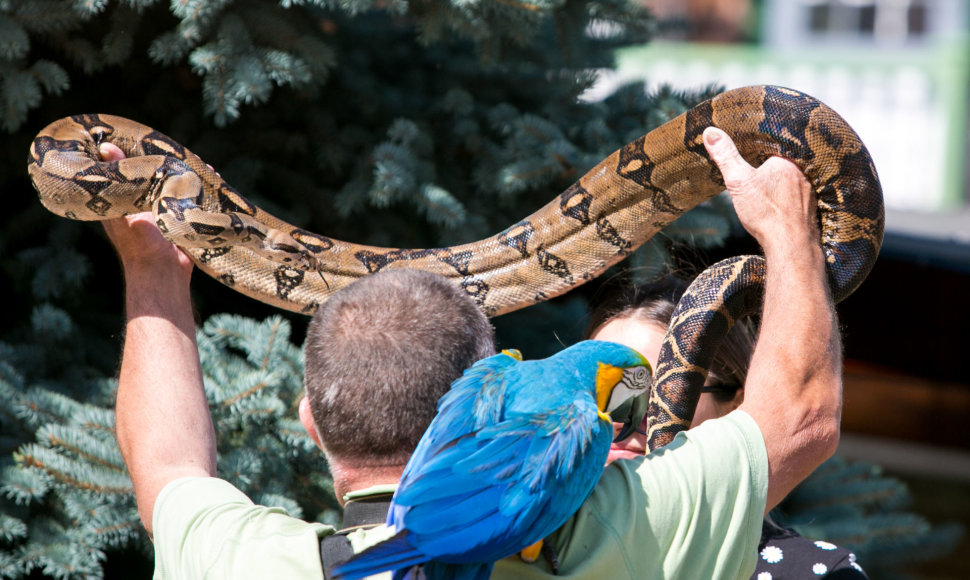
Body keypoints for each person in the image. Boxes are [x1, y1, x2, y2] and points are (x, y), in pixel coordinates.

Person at [102, 124, 844, 579]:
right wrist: (787, 234)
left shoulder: (238, 561)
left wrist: (152, 276)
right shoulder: (622, 539)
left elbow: (166, 465)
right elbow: (801, 415)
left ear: (310, 420)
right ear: (476, 398)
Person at [589, 274, 869, 578]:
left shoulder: (815, 575)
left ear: (736, 406)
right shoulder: (536, 548)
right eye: (595, 392)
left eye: (656, 394)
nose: (615, 420)